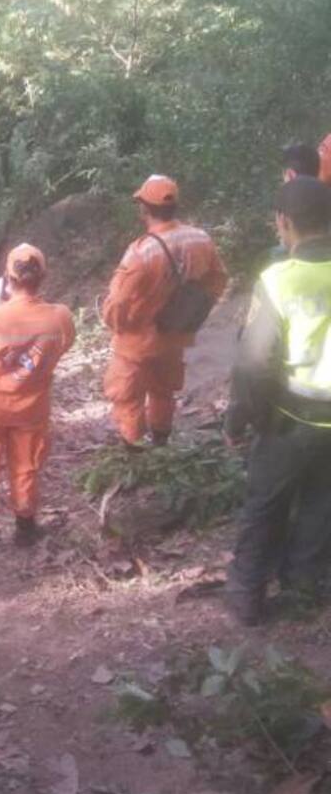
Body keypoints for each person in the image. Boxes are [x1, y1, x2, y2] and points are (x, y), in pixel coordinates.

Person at [223, 176, 331, 626]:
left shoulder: (278, 280)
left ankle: (246, 598)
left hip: (290, 419)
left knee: (265, 505)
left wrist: (239, 418)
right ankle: (304, 587)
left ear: (284, 222)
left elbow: (253, 364)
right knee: (322, 504)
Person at [0, 243, 75, 553]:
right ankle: (25, 531)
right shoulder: (60, 317)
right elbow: (62, 347)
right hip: (31, 408)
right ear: (43, 276)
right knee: (27, 466)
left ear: (8, 279)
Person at [101, 175, 228, 448]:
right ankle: (161, 441)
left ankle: (134, 449)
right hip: (175, 333)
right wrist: (193, 312)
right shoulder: (200, 238)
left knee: (127, 395)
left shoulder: (141, 252)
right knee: (163, 390)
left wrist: (115, 323)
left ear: (144, 208)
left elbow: (119, 302)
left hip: (137, 341)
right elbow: (218, 278)